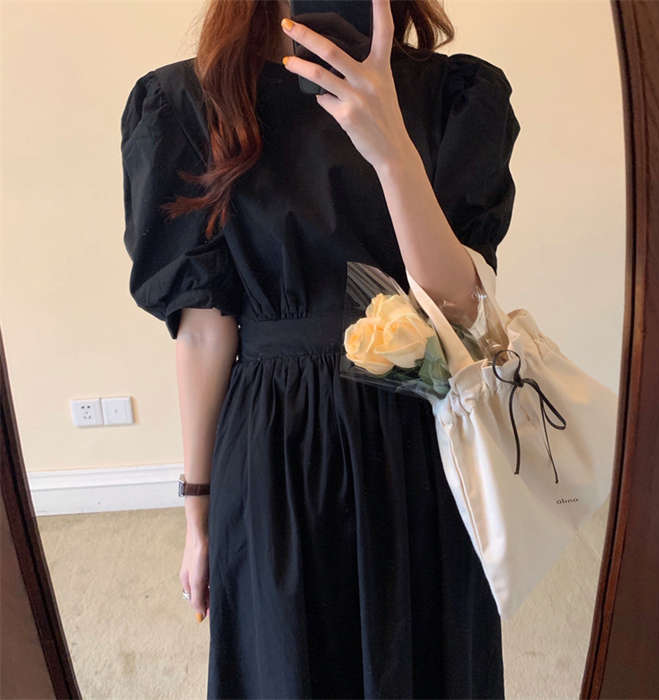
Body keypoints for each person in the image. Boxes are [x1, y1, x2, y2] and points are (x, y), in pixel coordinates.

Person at [120, 0, 519, 696]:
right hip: (274, 446)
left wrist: (390, 148)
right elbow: (205, 331)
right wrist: (198, 516)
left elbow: (458, 308)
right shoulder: (190, 102)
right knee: (287, 663)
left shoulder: (453, 96)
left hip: (421, 432)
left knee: (428, 659)